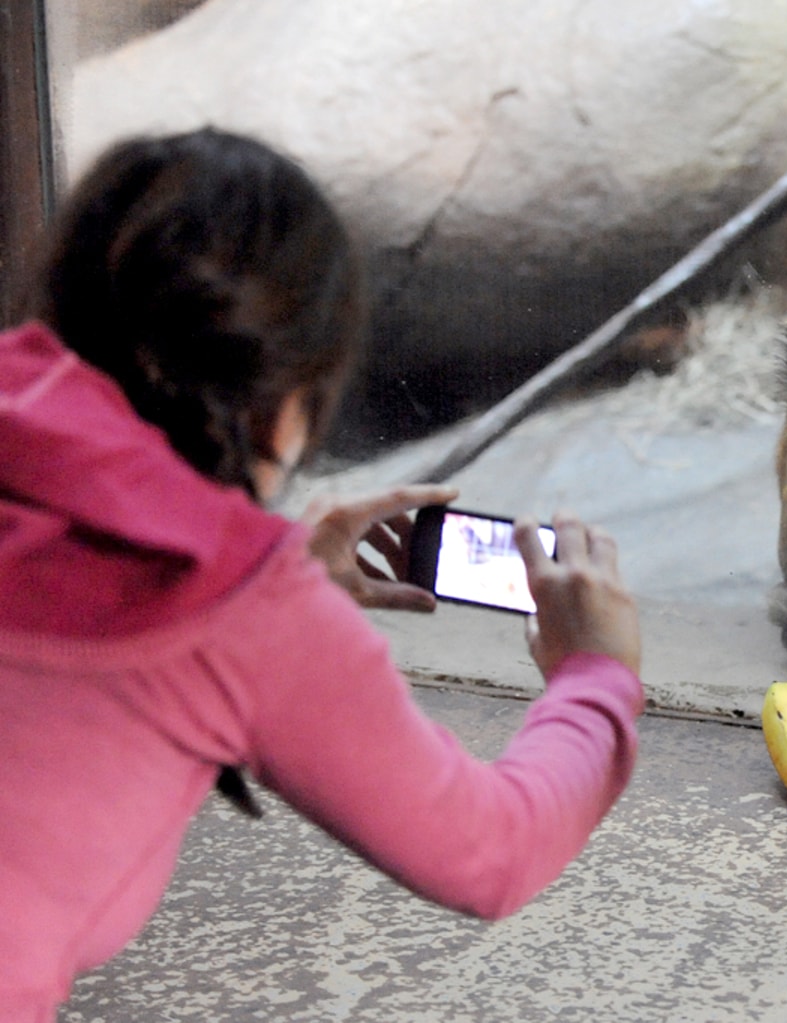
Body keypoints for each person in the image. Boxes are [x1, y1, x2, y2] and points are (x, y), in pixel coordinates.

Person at [0, 128, 644, 1021]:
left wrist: (272, 574)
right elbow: (495, 850)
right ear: (290, 403)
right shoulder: (246, 611)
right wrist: (597, 675)